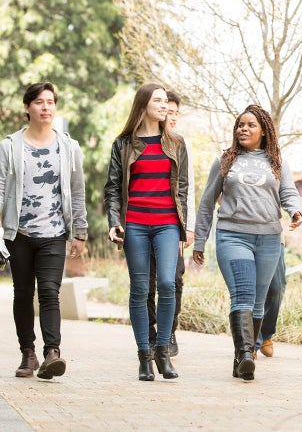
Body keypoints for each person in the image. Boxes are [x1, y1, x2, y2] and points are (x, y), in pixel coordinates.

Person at [193, 104, 302, 381]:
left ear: (264, 131)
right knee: (242, 294)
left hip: (268, 237)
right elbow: (207, 202)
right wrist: (199, 239)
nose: (243, 128)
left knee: (258, 301)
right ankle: (245, 354)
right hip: (232, 235)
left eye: (250, 125)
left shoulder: (277, 162)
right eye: (240, 124)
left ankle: (242, 358)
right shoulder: (225, 160)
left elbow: (288, 191)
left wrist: (295, 210)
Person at [0, 82, 88, 379]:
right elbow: (0, 190)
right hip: (19, 233)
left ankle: (53, 353)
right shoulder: (9, 146)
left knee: (50, 291)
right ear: (27, 108)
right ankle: (28, 353)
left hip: (54, 231)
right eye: (39, 102)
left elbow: (77, 191)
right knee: (23, 293)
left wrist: (80, 231)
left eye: (50, 102)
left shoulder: (68, 147)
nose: (46, 107)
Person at [104, 83, 188, 381]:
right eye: (158, 100)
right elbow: (113, 188)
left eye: (166, 101)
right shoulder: (123, 144)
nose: (164, 105)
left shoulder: (176, 143)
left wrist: (182, 229)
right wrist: (115, 220)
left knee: (167, 283)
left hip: (167, 223)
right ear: (143, 104)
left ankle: (163, 352)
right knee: (140, 290)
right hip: (135, 224)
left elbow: (182, 189)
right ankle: (144, 356)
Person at [147, 90, 195, 357]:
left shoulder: (179, 143)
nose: (171, 116)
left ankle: (169, 331)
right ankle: (152, 334)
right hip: (143, 224)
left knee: (173, 279)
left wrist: (187, 227)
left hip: (172, 224)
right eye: (168, 111)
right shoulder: (139, 141)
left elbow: (188, 189)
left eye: (175, 112)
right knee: (147, 281)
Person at [255, 234, 286, 358]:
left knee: (276, 288)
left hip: (274, 235)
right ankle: (251, 341)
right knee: (251, 288)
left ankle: (266, 334)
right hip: (246, 233)